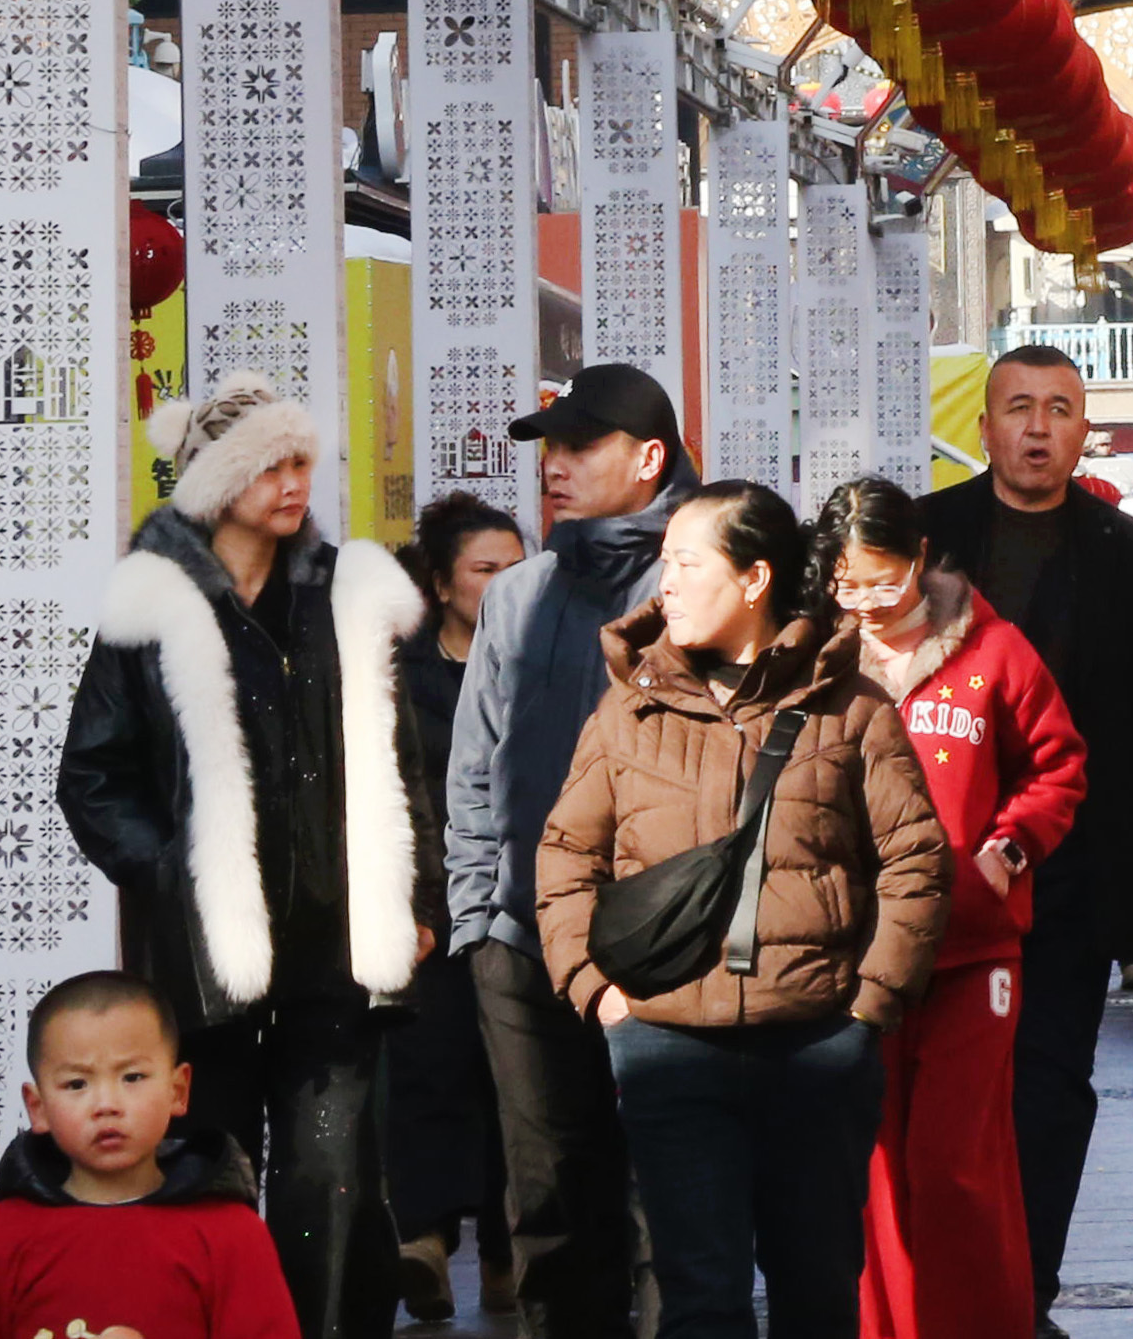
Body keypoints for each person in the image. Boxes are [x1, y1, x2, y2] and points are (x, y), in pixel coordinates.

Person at [59, 380, 429, 1339]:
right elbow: (91, 775)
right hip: (204, 954)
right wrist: (171, 870)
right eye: (269, 464)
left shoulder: (345, 592)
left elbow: (402, 761)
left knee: (332, 1182)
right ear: (217, 480)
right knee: (209, 1173)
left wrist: (417, 898)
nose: (294, 482)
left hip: (337, 942)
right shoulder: (153, 605)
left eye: (301, 460)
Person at [537, 478, 950, 1339]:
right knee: (699, 1299)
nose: (667, 584)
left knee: (817, 1294)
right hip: (668, 1048)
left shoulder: (849, 705)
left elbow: (915, 857)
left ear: (754, 578)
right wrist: (596, 989)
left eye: (687, 563)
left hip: (816, 1049)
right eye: (665, 563)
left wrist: (869, 1004)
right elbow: (566, 853)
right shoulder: (628, 709)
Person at [921, 343, 1133, 1317]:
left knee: (1048, 1081)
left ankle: (1026, 1283)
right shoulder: (926, 537)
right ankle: (947, 1282)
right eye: (1018, 407)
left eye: (1057, 408)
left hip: (1076, 863)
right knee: (946, 1087)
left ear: (1086, 430)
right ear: (983, 426)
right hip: (935, 862)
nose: (1037, 427)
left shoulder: (1127, 551)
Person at [445, 364, 697, 1339]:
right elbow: (477, 761)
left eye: (581, 446)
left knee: (671, 1196)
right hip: (521, 939)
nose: (555, 465)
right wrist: (478, 918)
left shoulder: (700, 583)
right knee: (549, 1201)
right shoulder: (517, 593)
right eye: (549, 447)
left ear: (649, 456)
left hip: (665, 933)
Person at [822, 477, 1091, 1339]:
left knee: (955, 1161)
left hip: (972, 948)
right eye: (848, 582)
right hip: (856, 952)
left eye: (885, 580)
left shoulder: (994, 648)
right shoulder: (818, 659)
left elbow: (1057, 765)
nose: (867, 601)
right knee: (872, 1168)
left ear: (922, 559)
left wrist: (1006, 851)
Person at [0, 970, 299, 1339]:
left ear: (178, 1091)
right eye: (76, 1084)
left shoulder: (231, 1234)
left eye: (132, 1077)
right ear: (38, 1108)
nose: (106, 1104)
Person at [388, 492, 523, 1324]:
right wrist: (409, 903)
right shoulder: (397, 676)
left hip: (520, 901)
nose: (504, 584)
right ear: (441, 583)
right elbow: (388, 798)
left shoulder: (548, 659)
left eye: (517, 568)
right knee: (427, 1066)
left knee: (518, 1076)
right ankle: (425, 1241)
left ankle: (510, 1250)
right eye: (485, 569)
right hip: (427, 905)